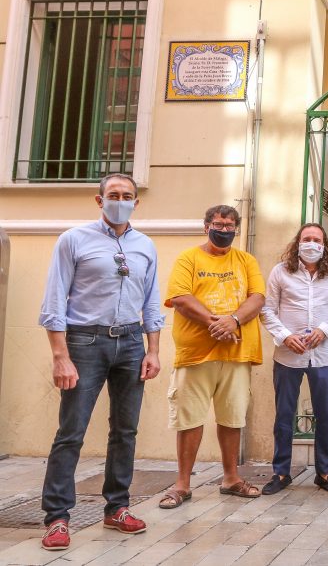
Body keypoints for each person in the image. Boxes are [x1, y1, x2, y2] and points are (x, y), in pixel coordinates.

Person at [37, 173, 163, 551]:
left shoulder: (145, 246)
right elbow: (54, 301)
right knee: (71, 431)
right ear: (99, 200)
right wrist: (61, 356)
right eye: (113, 195)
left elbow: (151, 300)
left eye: (127, 196)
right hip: (84, 342)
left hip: (130, 343)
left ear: (136, 203)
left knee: (125, 431)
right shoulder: (73, 240)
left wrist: (153, 350)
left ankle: (117, 508)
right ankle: (57, 517)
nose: (120, 200)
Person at [160, 205, 266, 509]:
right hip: (195, 354)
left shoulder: (246, 260)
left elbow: (257, 297)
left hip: (237, 353)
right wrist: (214, 322)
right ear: (206, 226)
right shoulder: (188, 258)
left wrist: (232, 320)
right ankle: (182, 484)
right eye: (219, 224)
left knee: (232, 418)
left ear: (237, 229)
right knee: (189, 419)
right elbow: (180, 297)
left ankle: (231, 478)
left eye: (230, 226)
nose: (224, 230)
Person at [260, 223, 328, 495]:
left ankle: (325, 472)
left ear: (324, 245)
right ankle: (281, 472)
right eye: (307, 239)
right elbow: (267, 310)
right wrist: (285, 335)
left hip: (323, 356)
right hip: (288, 355)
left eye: (317, 240)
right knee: (285, 415)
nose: (311, 244)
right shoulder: (281, 272)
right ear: (298, 242)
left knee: (325, 415)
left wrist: (325, 330)